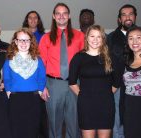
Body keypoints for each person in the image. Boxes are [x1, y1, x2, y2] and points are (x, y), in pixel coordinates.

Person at [106, 4, 141, 138]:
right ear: (119, 19)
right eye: (124, 14)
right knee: (117, 120)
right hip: (117, 86)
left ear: (135, 16)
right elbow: (106, 62)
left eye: (131, 14)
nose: (128, 17)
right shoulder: (110, 38)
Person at [39, 3, 84, 138]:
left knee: (74, 122)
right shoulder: (46, 38)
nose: (61, 16)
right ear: (54, 16)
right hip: (53, 84)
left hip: (75, 83)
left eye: (64, 13)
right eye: (58, 13)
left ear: (69, 16)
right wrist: (42, 87)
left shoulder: (80, 36)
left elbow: (85, 61)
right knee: (54, 123)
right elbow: (41, 64)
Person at [69, 25, 119, 138]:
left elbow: (117, 82)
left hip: (106, 105)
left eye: (99, 37)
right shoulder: (78, 57)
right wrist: (83, 95)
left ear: (103, 39)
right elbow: (72, 82)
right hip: (86, 105)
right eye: (92, 36)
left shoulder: (111, 57)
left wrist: (104, 94)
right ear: (86, 38)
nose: (95, 40)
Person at [3, 28, 46, 138]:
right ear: (15, 42)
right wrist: (8, 90)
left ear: (31, 42)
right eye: (20, 40)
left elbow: (42, 77)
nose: (23, 43)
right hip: (16, 100)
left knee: (32, 130)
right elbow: (6, 78)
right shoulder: (9, 60)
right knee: (16, 130)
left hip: (33, 99)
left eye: (27, 40)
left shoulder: (38, 60)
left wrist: (41, 90)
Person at [22, 10, 48, 138]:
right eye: (30, 18)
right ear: (27, 20)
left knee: (41, 112)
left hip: (41, 76)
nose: (32, 20)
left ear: (38, 20)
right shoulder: (21, 36)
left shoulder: (45, 36)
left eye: (35, 18)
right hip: (25, 79)